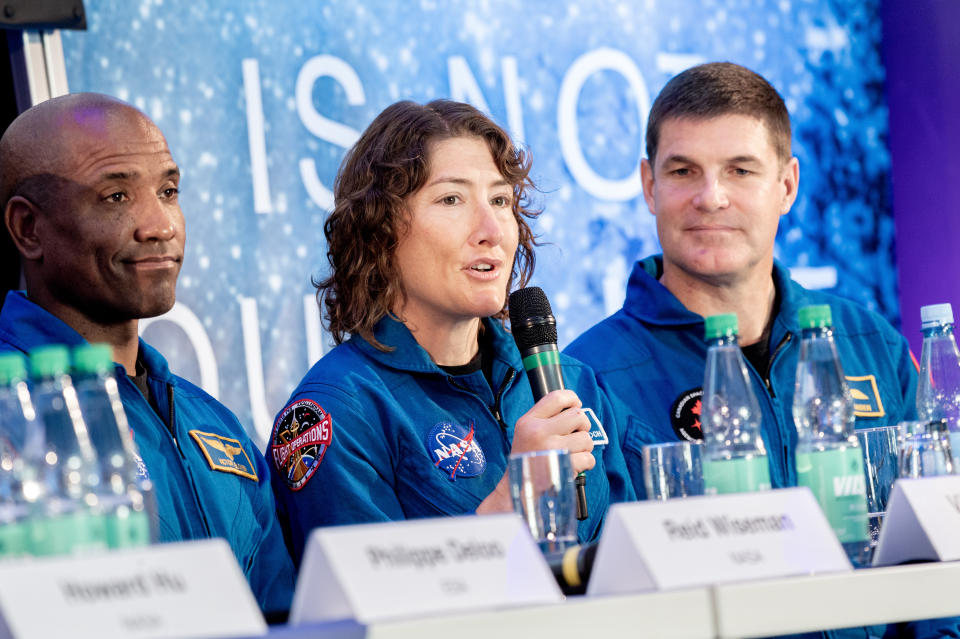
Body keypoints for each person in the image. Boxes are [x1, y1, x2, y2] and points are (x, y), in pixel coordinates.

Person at [566, 62, 959, 639]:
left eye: (740, 170)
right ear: (650, 186)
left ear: (787, 185)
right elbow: (595, 604)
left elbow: (939, 549)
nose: (711, 197)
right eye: (683, 171)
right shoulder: (590, 378)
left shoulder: (867, 341)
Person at [268, 99, 634, 564]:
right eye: (451, 200)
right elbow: (374, 616)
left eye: (500, 200)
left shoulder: (571, 383)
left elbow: (633, 572)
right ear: (380, 231)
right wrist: (508, 505)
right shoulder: (339, 414)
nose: (491, 230)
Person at [0, 93, 294, 617]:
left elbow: (285, 615)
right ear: (29, 228)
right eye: (115, 196)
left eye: (168, 191)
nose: (160, 225)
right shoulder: (12, 412)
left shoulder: (216, 423)